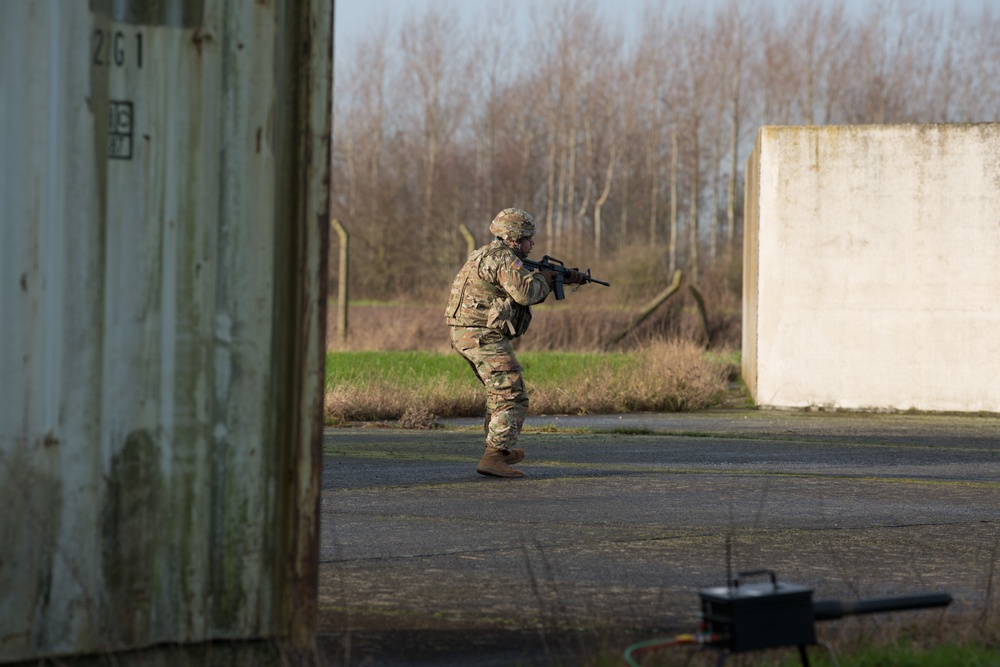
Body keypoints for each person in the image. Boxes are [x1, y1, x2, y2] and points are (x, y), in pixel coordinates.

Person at [445, 208, 583, 478]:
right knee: (512, 392)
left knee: (498, 392)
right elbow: (527, 293)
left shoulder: (486, 253)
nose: (532, 244)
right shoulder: (504, 258)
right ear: (513, 238)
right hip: (480, 333)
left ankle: (500, 448)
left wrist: (561, 276)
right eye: (528, 239)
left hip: (467, 332)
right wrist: (546, 278)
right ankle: (494, 456)